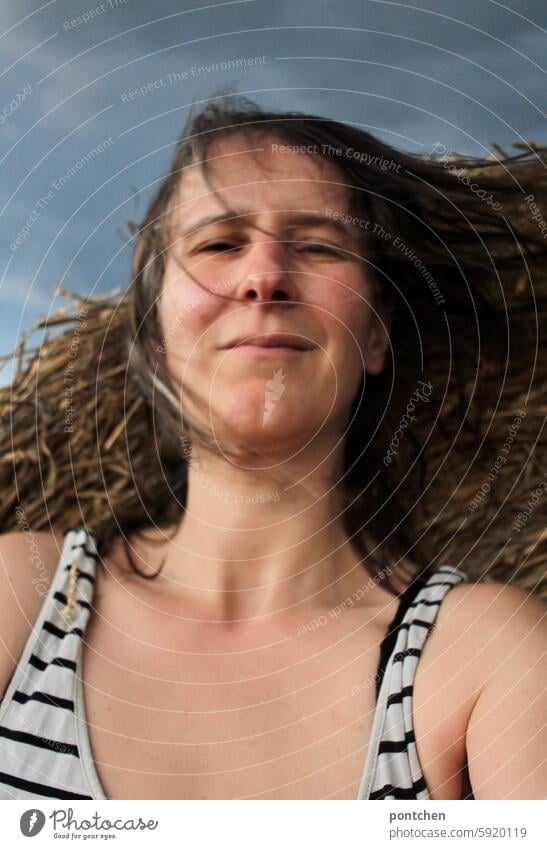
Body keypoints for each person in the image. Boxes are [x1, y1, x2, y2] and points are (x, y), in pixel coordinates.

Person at [0, 96, 546, 801]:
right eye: (219, 243)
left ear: (377, 332)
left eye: (318, 244)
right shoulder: (21, 594)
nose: (264, 276)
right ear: (156, 333)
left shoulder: (483, 660)